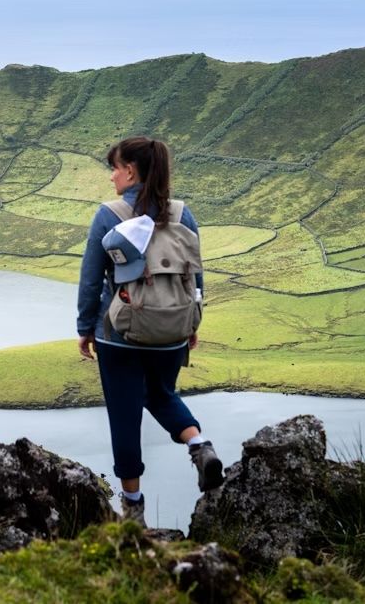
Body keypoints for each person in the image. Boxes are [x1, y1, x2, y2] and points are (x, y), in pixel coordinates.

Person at [76, 135, 223, 527]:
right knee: (161, 394)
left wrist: (84, 327)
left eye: (115, 168)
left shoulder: (109, 215)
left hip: (119, 335)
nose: (112, 177)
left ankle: (134, 512)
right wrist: (192, 322)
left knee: (125, 417)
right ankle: (199, 447)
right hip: (173, 329)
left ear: (130, 170)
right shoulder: (181, 214)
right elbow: (196, 277)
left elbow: (91, 280)